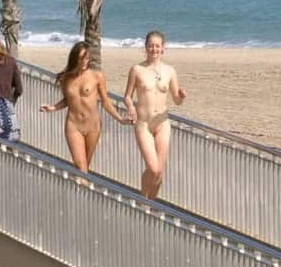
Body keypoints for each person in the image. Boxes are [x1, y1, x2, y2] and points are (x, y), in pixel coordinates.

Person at [40, 41, 130, 172]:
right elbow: (67, 100)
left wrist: (120, 119)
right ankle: (83, 187)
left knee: (85, 167)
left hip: (93, 126)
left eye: (86, 58)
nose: (84, 62)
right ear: (75, 58)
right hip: (73, 125)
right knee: (80, 165)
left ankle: (80, 190)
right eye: (81, 58)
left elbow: (105, 102)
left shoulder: (97, 76)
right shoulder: (66, 78)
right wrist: (53, 108)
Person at [123, 30, 186, 199]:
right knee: (153, 169)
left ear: (163, 48)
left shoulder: (170, 71)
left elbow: (176, 100)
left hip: (162, 123)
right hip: (143, 124)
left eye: (157, 46)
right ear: (146, 48)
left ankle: (151, 204)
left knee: (159, 173)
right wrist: (130, 107)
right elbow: (127, 96)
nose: (154, 49)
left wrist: (181, 96)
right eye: (151, 46)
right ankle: (143, 200)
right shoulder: (137, 69)